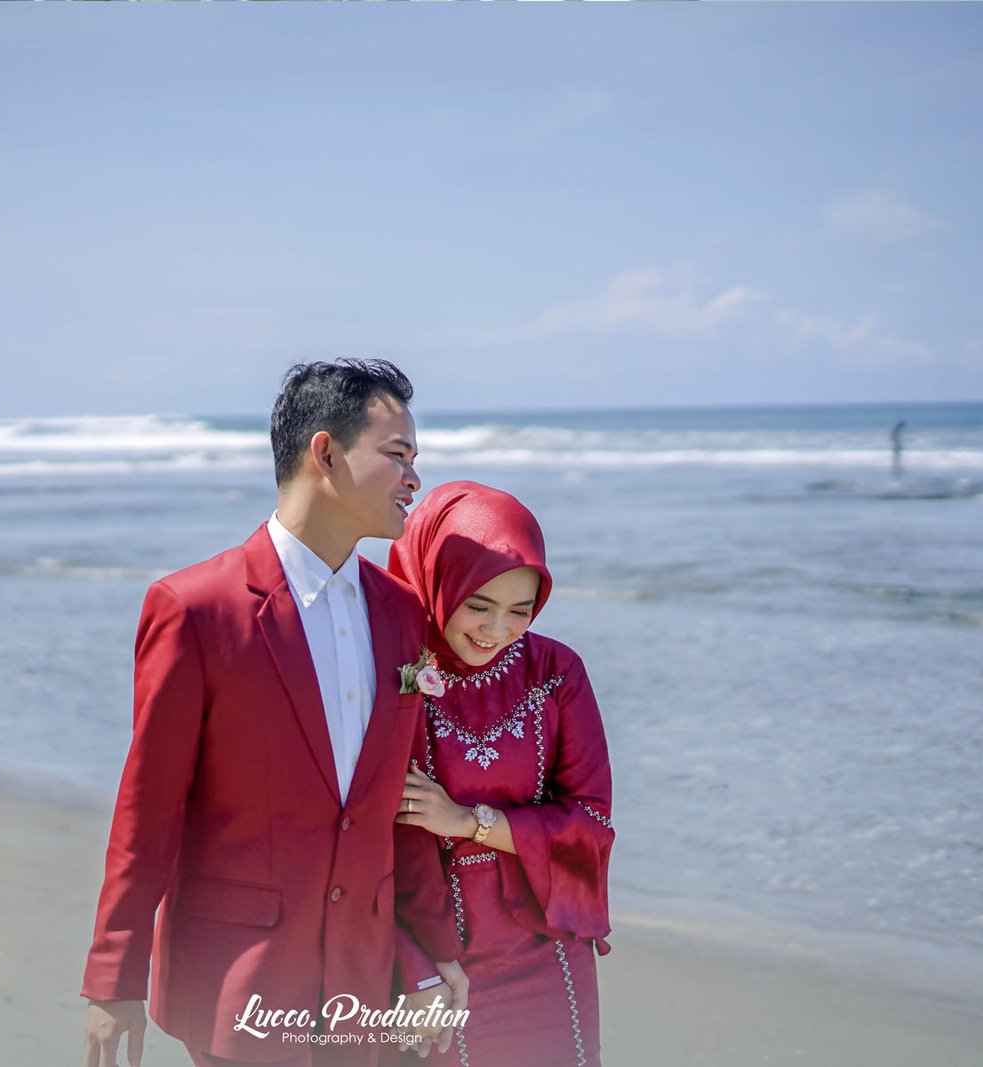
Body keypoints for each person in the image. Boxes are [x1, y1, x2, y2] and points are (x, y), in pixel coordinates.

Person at [81, 360, 466, 1067]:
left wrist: (435, 951)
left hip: (360, 980)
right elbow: (148, 808)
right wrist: (114, 978)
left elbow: (399, 804)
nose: (414, 479)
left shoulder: (402, 613)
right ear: (326, 453)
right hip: (239, 979)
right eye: (398, 454)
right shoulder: (196, 609)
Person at [388, 481, 614, 1067]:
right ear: (437, 581)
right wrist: (414, 970)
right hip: (431, 955)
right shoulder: (390, 670)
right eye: (479, 605)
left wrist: (467, 822)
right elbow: (360, 846)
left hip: (545, 951)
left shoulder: (555, 671)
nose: (497, 629)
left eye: (521, 611)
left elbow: (591, 824)